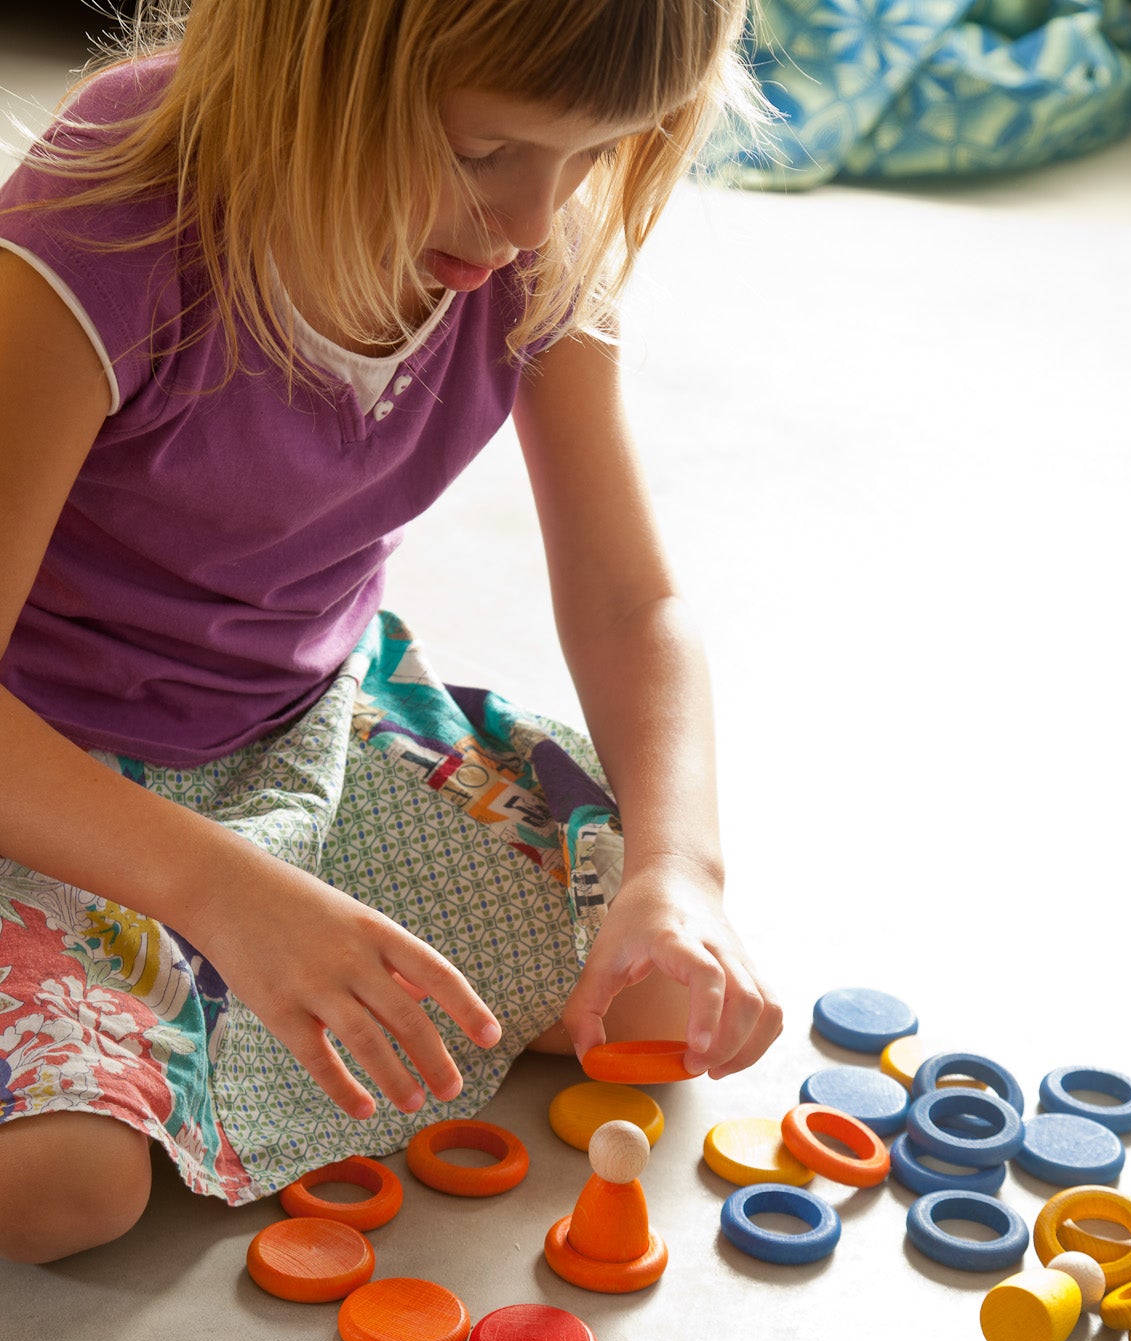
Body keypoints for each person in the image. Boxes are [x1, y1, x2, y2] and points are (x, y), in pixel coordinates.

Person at [0, 0, 781, 1265]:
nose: (537, 218)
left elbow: (631, 599)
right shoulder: (114, 211)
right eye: (489, 155)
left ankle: (207, 993)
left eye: (591, 155)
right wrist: (221, 890)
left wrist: (680, 871)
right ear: (309, 64)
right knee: (64, 1188)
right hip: (47, 779)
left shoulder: (529, 243)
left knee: (638, 980)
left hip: (300, 731)